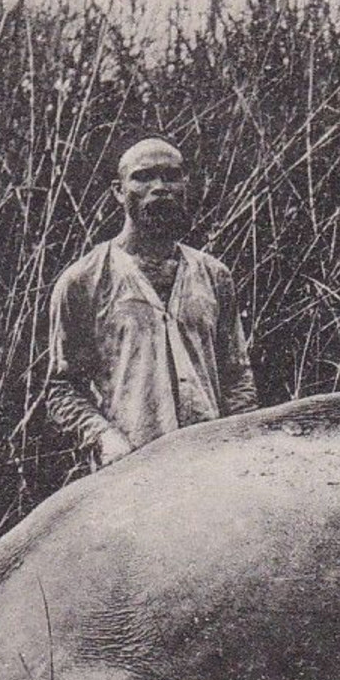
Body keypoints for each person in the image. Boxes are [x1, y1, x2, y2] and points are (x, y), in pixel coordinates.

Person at [45, 137, 259, 467]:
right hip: (129, 471)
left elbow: (238, 377)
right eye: (143, 176)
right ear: (118, 190)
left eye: (171, 176)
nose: (160, 187)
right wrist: (103, 437)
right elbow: (61, 388)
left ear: (186, 185)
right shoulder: (82, 281)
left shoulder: (214, 276)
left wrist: (238, 445)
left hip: (211, 466)